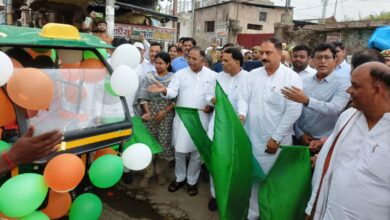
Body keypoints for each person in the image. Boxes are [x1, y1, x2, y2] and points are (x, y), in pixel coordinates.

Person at [306, 62, 390, 220]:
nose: (348, 90)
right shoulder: (347, 117)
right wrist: (312, 211)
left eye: (355, 86)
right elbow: (326, 165)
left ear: (377, 90)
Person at [237, 38, 302, 220]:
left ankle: (271, 215)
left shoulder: (291, 78)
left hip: (274, 141)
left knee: (273, 180)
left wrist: (276, 138)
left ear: (280, 53)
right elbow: (244, 97)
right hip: (252, 137)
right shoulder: (253, 75)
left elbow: (293, 112)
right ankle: (253, 214)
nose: (263, 57)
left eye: (268, 53)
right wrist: (242, 113)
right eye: (262, 53)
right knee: (254, 179)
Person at [148, 46, 217, 196]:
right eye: (188, 58)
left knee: (197, 153)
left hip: (201, 118)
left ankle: (192, 181)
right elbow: (173, 91)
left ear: (203, 60)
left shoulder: (212, 76)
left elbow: (211, 97)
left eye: (194, 58)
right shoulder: (180, 74)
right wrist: (164, 90)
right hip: (182, 118)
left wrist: (211, 105)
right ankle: (180, 178)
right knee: (179, 151)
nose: (190, 61)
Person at [281, 43, 351, 147]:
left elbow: (335, 109)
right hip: (299, 137)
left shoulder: (343, 84)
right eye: (318, 58)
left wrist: (307, 101)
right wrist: (300, 133)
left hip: (325, 141)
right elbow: (294, 109)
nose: (322, 61)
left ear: (335, 60)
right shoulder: (304, 80)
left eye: (327, 57)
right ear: (312, 61)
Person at [206, 47, 248, 211]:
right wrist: (212, 99)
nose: (221, 63)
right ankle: (215, 194)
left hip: (238, 129)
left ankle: (232, 193)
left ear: (237, 62)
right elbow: (207, 95)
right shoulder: (218, 77)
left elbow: (245, 99)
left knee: (234, 165)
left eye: (225, 61)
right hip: (217, 127)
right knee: (216, 163)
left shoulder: (248, 79)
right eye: (221, 60)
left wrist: (242, 114)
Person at [137, 52, 176, 188]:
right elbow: (142, 96)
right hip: (151, 112)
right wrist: (147, 112)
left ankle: (160, 172)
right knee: (149, 143)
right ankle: (147, 174)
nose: (158, 66)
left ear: (168, 64)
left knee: (163, 143)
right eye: (156, 63)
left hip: (166, 114)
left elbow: (176, 99)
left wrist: (165, 111)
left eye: (161, 63)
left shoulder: (174, 78)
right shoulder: (149, 77)